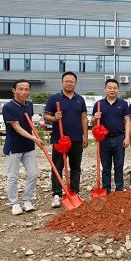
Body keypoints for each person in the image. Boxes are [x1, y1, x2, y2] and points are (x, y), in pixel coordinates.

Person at [44, 72, 88, 208]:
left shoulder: (80, 99)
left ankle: (74, 192)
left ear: (75, 83)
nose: (69, 83)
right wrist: (54, 118)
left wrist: (85, 135)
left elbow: (84, 118)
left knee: (75, 167)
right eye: (66, 81)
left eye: (72, 81)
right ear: (62, 82)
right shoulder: (54, 99)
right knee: (57, 167)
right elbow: (46, 117)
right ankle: (56, 194)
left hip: (76, 140)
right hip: (59, 139)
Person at [2, 79, 42, 215]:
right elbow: (17, 127)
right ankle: (14, 203)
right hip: (14, 147)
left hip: (28, 146)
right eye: (21, 89)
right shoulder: (8, 107)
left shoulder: (29, 105)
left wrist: (35, 136)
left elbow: (29, 124)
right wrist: (34, 138)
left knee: (33, 174)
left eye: (26, 89)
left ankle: (27, 200)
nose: (24, 92)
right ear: (14, 90)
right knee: (12, 177)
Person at [92, 79, 130, 193]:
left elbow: (127, 121)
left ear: (118, 89)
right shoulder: (99, 104)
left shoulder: (123, 104)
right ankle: (106, 190)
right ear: (105, 89)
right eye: (109, 87)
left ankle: (119, 189)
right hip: (104, 139)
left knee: (119, 165)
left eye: (114, 88)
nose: (112, 90)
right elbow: (93, 123)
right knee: (106, 166)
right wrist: (95, 117)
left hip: (119, 138)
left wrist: (127, 137)